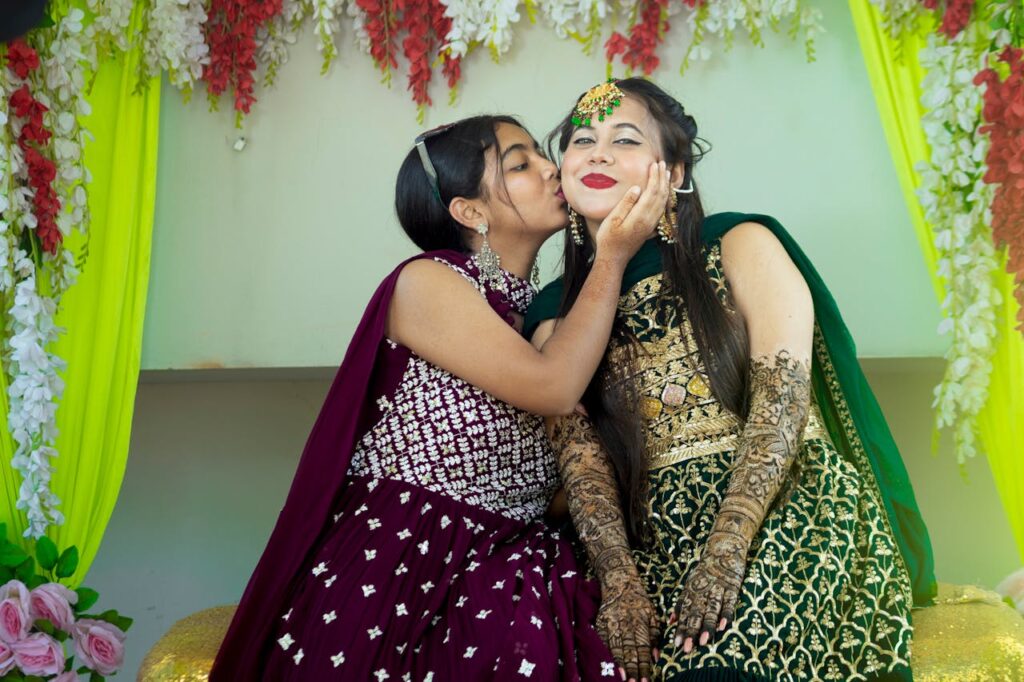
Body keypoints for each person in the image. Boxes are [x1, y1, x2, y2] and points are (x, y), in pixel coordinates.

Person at [210, 114, 670, 680]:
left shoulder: (548, 319)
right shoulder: (427, 283)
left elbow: (553, 482)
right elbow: (552, 388)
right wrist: (614, 257)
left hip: (504, 573)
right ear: (470, 211)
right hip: (402, 565)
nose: (553, 168)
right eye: (522, 163)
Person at [526, 79, 937, 682]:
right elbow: (581, 464)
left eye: (625, 139)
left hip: (785, 508)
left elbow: (782, 407)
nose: (597, 153)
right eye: (582, 139)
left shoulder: (740, 243)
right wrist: (619, 581)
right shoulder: (549, 316)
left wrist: (726, 552)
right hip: (650, 539)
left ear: (676, 169)